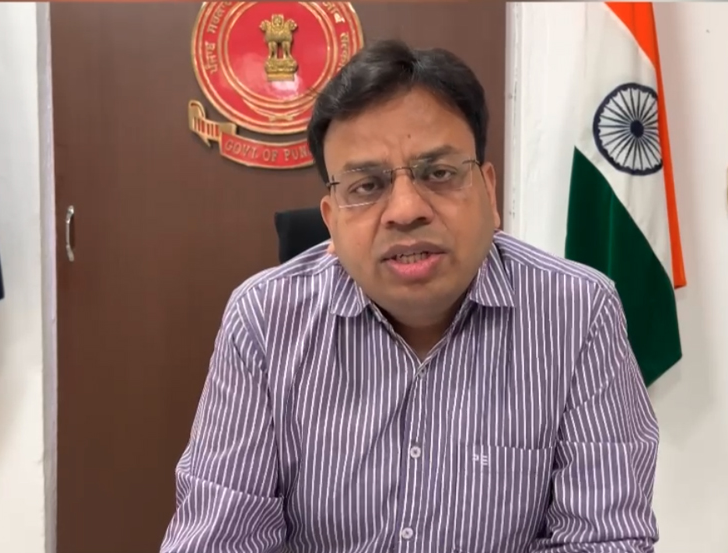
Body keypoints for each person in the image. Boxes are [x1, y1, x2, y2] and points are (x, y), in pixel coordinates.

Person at [159, 39, 660, 553]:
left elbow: (606, 539)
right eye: (366, 186)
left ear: (489, 193)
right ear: (332, 220)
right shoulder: (265, 320)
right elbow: (219, 539)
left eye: (439, 174)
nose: (405, 210)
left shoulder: (578, 312)